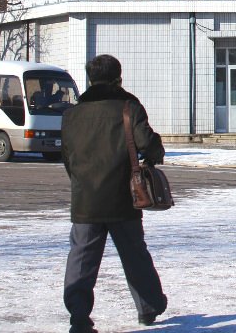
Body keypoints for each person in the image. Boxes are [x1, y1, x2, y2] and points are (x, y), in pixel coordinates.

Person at [61, 55, 168, 332]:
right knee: (134, 255)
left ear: (90, 79)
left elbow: (67, 158)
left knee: (81, 261)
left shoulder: (72, 114)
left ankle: (79, 319)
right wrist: (155, 154)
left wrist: (82, 181)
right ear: (118, 77)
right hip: (124, 197)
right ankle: (149, 308)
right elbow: (149, 144)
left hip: (85, 199)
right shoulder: (128, 107)